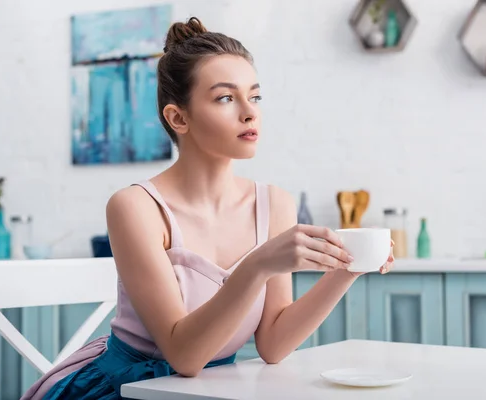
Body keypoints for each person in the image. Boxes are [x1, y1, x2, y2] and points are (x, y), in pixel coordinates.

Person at [21, 16, 394, 400]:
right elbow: (184, 355)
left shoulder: (274, 204)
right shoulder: (135, 207)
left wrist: (347, 268)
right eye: (225, 98)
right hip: (124, 388)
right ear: (178, 117)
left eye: (255, 96)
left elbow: (274, 344)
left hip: (208, 391)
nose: (250, 113)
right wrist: (258, 264)